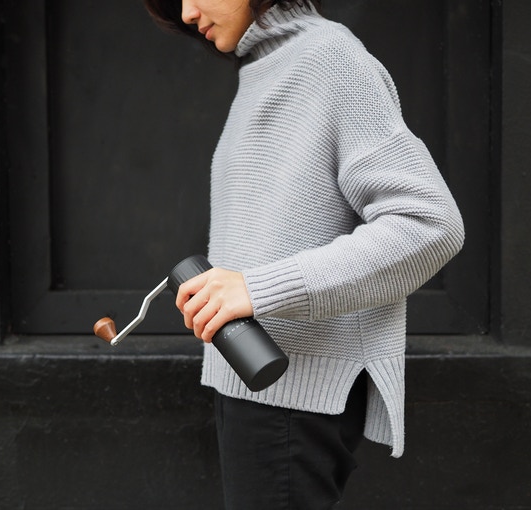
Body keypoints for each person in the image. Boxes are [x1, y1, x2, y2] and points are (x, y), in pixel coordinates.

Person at [143, 1, 465, 508]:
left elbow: (428, 223)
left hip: (291, 399)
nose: (185, 12)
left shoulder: (330, 58)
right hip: (251, 383)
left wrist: (257, 288)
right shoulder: (266, 65)